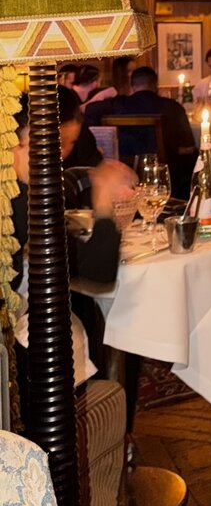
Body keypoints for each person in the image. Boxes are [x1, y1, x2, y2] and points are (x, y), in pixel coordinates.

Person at [10, 90, 137, 418]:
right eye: (52, 144)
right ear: (14, 142)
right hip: (17, 354)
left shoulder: (20, 192)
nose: (59, 156)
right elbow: (98, 271)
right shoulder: (19, 203)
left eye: (66, 145)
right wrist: (104, 199)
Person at [85, 66, 197, 199]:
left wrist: (104, 95)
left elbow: (90, 109)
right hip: (166, 175)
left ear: (132, 86)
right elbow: (188, 148)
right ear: (155, 85)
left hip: (125, 174)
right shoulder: (173, 107)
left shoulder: (119, 104)